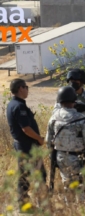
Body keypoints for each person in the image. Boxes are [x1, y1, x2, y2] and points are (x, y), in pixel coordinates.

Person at [52, 69, 85, 190]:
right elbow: (54, 113)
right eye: (71, 81)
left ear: (82, 82)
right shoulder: (64, 95)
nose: (73, 83)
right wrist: (69, 111)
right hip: (69, 141)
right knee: (75, 175)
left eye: (76, 81)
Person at [46, 86, 85, 203]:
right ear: (74, 102)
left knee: (67, 185)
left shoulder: (53, 117)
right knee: (81, 187)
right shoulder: (81, 119)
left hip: (60, 158)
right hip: (77, 158)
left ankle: (69, 209)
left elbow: (48, 141)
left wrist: (52, 157)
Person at [6, 78, 47, 207]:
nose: (27, 90)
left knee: (27, 174)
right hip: (27, 146)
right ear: (20, 88)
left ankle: (26, 201)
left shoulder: (13, 104)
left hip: (24, 145)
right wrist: (39, 139)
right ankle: (30, 202)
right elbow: (26, 129)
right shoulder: (18, 106)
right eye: (26, 87)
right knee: (34, 174)